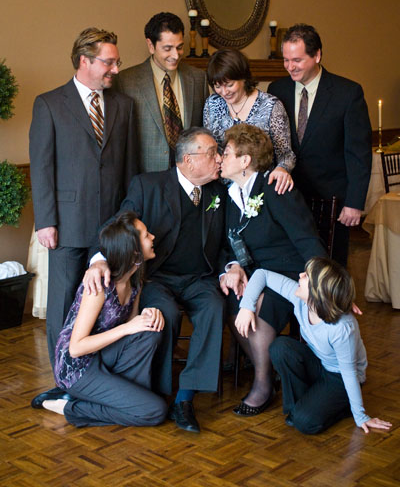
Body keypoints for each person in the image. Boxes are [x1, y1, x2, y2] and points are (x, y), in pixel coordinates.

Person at [84, 127, 227, 433]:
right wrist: (98, 260)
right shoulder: (148, 185)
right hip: (157, 278)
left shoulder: (218, 192)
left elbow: (227, 242)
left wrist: (232, 267)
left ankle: (185, 397)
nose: (220, 158)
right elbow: (116, 225)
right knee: (166, 314)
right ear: (188, 160)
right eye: (213, 152)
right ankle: (159, 393)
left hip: (200, 278)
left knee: (215, 307)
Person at [29, 27, 137, 407]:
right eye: (109, 62)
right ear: (84, 61)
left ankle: (97, 377)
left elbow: (129, 166)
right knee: (63, 304)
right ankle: (63, 382)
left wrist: (127, 219)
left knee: (106, 302)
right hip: (67, 225)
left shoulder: (123, 106)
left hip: (111, 226)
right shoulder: (49, 104)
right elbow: (42, 167)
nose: (115, 69)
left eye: (117, 62)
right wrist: (46, 221)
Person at [220, 123, 327, 416]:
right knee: (231, 298)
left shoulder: (275, 188)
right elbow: (227, 244)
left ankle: (263, 384)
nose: (220, 158)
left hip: (289, 273)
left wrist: (322, 283)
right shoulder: (231, 194)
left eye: (226, 153)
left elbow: (306, 239)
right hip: (254, 273)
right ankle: (269, 369)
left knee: (258, 305)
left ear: (245, 160)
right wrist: (233, 268)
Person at [38, 211, 167, 428]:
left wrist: (149, 315)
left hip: (102, 355)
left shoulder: (135, 281)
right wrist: (128, 328)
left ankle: (120, 400)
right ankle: (71, 407)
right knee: (155, 411)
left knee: (150, 332)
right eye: (146, 235)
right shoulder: (99, 287)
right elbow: (76, 349)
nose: (153, 237)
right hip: (76, 369)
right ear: (133, 250)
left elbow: (133, 329)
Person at [236, 257, 392, 435]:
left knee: (305, 423)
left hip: (340, 377)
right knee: (280, 347)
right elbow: (262, 275)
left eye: (307, 276)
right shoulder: (300, 299)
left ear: (318, 291)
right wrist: (246, 306)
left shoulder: (342, 328)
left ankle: (344, 408)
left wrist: (361, 416)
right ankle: (298, 407)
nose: (300, 275)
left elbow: (349, 373)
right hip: (320, 364)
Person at [268, 24, 372, 266]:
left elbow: (358, 154)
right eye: (286, 60)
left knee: (331, 268)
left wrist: (354, 203)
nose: (290, 67)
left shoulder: (348, 93)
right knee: (294, 267)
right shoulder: (277, 89)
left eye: (297, 60)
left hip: (332, 202)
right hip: (289, 198)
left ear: (317, 55)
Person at [115, 12, 209, 173]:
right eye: (167, 48)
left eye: (179, 47)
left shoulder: (198, 78)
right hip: (147, 176)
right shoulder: (126, 81)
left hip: (190, 174)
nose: (175, 55)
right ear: (151, 45)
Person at [204, 48, 296, 195]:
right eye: (217, 86)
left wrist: (282, 169)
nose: (224, 92)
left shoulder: (271, 106)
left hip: (260, 191)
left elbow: (286, 156)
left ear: (243, 78)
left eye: (229, 85)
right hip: (221, 190)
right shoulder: (212, 104)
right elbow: (210, 148)